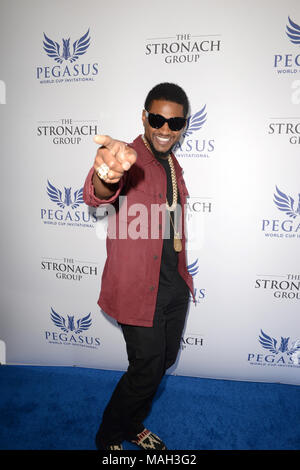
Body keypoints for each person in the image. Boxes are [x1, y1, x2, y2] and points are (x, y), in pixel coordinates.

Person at [83, 82, 194, 450]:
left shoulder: (173, 164)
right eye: (158, 119)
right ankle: (109, 436)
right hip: (137, 288)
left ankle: (132, 424)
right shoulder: (127, 157)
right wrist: (105, 176)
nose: (165, 129)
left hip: (173, 284)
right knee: (146, 368)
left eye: (175, 123)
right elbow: (100, 190)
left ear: (183, 125)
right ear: (144, 117)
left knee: (162, 363)